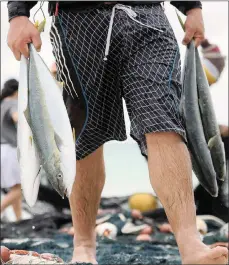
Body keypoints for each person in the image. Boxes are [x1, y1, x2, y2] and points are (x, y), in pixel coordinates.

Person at [7, 1, 228, 264]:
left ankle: (191, 244)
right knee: (84, 137)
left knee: (164, 123)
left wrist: (192, 7)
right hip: (76, 19)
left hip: (149, 15)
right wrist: (18, 13)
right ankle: (84, 245)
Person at [0, 79, 22, 221]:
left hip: (2, 150)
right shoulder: (13, 103)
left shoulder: (2, 104)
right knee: (21, 189)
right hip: (11, 150)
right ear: (16, 91)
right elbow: (17, 118)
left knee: (15, 187)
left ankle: (19, 220)